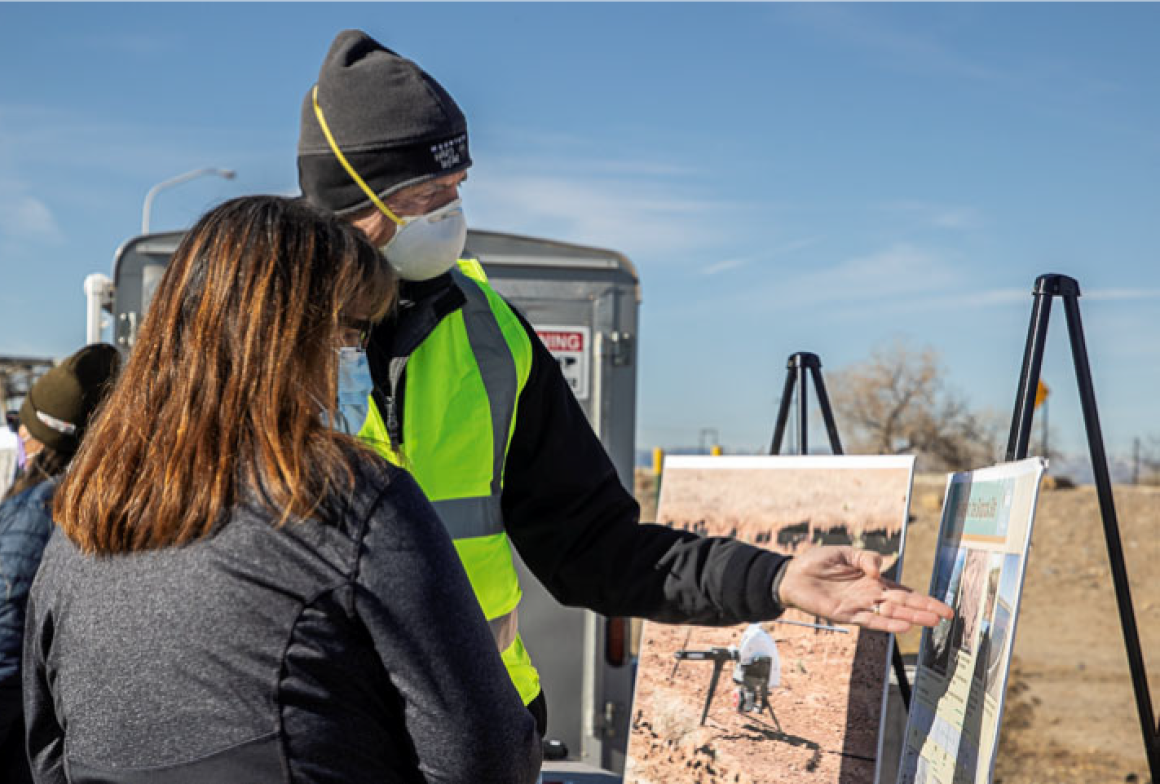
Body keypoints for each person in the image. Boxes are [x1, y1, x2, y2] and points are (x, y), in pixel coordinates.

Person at [296, 29, 953, 730]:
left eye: (458, 188)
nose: (452, 215)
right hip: (319, 741)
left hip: (481, 729)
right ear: (351, 198)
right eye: (430, 193)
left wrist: (778, 578)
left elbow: (597, 547)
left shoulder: (489, 332)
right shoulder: (247, 346)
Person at [24, 196, 541, 783]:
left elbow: (48, 754)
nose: (359, 362)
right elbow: (487, 758)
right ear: (279, 340)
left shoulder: (78, 526)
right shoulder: (354, 499)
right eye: (350, 332)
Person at [0, 343, 121, 784]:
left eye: (21, 425)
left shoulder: (35, 517)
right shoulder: (105, 510)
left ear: (42, 438)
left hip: (19, 755)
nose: (16, 435)